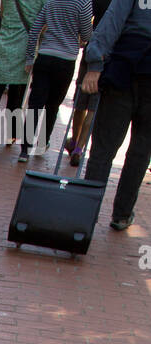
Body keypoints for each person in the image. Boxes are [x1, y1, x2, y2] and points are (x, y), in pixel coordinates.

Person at [82, 0, 151, 228]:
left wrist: (94, 64)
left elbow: (112, 20)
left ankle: (85, 213)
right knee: (140, 153)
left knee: (103, 149)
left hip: (123, 73)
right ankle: (121, 214)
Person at [21, 0, 94, 161]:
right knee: (53, 106)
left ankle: (24, 150)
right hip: (65, 60)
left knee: (35, 103)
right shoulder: (83, 3)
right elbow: (87, 34)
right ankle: (42, 143)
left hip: (45, 56)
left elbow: (35, 30)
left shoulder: (51, 1)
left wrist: (29, 58)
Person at [0, 0, 45, 151]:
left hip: (2, 44)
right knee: (16, 95)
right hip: (24, 48)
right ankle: (12, 135)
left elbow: (2, 12)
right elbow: (44, 21)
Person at [66, 0, 114, 163]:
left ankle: (74, 141)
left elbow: (86, 18)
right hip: (110, 54)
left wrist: (84, 37)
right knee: (94, 106)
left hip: (92, 49)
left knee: (81, 99)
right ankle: (79, 147)